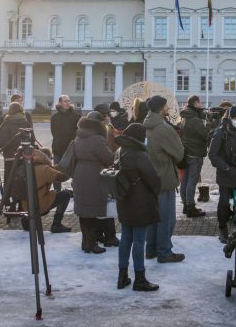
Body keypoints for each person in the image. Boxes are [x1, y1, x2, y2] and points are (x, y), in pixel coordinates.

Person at [113, 123, 160, 292]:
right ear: (139, 137)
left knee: (126, 238)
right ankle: (140, 279)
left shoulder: (120, 151)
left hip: (125, 202)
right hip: (141, 203)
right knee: (139, 241)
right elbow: (153, 179)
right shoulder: (139, 154)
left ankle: (122, 276)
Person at [143, 95, 186, 263]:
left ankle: (151, 249)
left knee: (153, 217)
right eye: (166, 106)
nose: (168, 109)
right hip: (164, 177)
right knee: (166, 218)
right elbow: (179, 153)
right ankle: (165, 252)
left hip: (149, 177)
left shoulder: (145, 124)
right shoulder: (163, 127)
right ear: (161, 108)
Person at [69, 111, 117, 254]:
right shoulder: (97, 139)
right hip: (94, 175)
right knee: (91, 210)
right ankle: (91, 244)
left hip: (79, 174)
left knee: (83, 211)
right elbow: (108, 158)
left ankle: (86, 242)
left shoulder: (78, 137)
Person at [4, 145, 72, 233]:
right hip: (38, 205)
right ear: (46, 158)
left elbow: (51, 169)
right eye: (50, 158)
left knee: (37, 194)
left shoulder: (28, 165)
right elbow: (62, 177)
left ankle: (27, 220)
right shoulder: (45, 169)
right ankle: (56, 224)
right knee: (66, 194)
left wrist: (58, 167)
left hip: (25, 205)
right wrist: (72, 169)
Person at [208, 105, 236, 244]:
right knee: (224, 203)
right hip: (226, 173)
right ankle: (223, 229)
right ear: (230, 118)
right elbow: (212, 154)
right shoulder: (221, 132)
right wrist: (225, 167)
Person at [178, 95, 208, 218]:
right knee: (192, 180)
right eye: (200, 103)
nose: (201, 105)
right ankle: (190, 206)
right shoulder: (194, 119)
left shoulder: (185, 117)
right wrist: (209, 124)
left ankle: (185, 205)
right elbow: (204, 135)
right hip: (195, 153)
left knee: (185, 180)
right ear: (196, 103)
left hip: (186, 152)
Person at [50, 94, 80, 192]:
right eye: (65, 101)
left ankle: (76, 190)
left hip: (72, 149)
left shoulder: (76, 115)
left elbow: (79, 132)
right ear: (60, 103)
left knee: (75, 172)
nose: (67, 103)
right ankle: (57, 191)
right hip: (58, 148)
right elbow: (54, 133)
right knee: (56, 172)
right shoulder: (55, 117)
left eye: (69, 101)